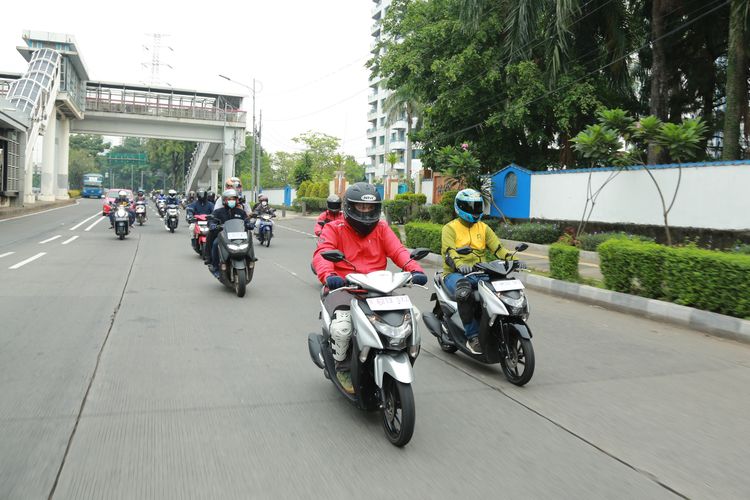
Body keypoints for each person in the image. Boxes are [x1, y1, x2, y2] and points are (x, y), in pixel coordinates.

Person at [312, 182, 428, 393]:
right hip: (345, 287)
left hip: (379, 288)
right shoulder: (333, 228)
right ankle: (342, 367)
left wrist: (415, 269)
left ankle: (396, 357)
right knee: (342, 328)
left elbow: (398, 251)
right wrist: (329, 275)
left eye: (370, 207)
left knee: (411, 318)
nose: (366, 212)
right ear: (349, 207)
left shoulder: (381, 228)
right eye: (360, 207)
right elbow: (323, 252)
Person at [441, 188, 513, 355]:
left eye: (476, 207)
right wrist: (459, 264)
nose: (474, 211)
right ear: (459, 207)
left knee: (502, 287)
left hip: (480, 272)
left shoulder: (483, 228)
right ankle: (473, 336)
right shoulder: (450, 228)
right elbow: (448, 252)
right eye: (469, 207)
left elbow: (498, 248)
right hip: (455, 274)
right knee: (464, 292)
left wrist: (512, 259)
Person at [206, 189, 254, 278]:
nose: (232, 201)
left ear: (237, 200)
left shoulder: (241, 212)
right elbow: (211, 220)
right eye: (229, 199)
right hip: (223, 237)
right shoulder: (218, 212)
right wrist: (212, 225)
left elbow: (246, 221)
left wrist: (250, 224)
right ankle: (215, 266)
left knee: (249, 240)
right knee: (216, 243)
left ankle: (251, 259)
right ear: (224, 200)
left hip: (239, 237)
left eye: (234, 199)